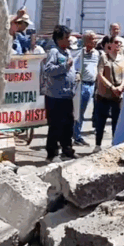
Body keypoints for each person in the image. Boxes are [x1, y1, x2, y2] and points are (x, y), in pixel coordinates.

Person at [41, 25, 78, 162]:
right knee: (55, 126)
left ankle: (67, 150)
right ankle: (52, 154)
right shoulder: (54, 52)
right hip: (55, 97)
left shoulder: (67, 52)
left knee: (68, 125)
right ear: (59, 39)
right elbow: (48, 70)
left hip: (67, 96)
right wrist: (65, 67)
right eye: (67, 38)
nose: (70, 40)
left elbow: (70, 70)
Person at [93, 35, 124, 152]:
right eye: (116, 42)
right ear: (110, 44)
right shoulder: (104, 57)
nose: (118, 45)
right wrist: (111, 87)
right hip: (104, 94)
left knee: (116, 121)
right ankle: (97, 145)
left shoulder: (122, 58)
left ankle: (115, 143)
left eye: (120, 43)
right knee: (101, 120)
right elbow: (100, 74)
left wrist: (121, 87)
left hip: (117, 95)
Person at [73, 31, 100, 147]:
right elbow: (75, 68)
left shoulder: (97, 54)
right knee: (79, 112)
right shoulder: (81, 54)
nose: (95, 41)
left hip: (92, 85)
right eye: (92, 39)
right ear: (86, 41)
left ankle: (76, 134)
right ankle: (76, 136)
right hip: (82, 85)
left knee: (84, 111)